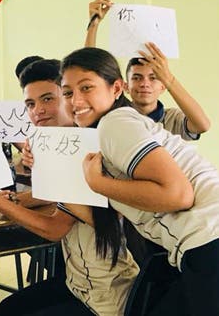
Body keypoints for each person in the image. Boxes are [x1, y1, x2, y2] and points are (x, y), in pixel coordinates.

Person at [0, 60, 139, 316]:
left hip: (105, 297)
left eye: (48, 99)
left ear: (69, 98)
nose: (38, 111)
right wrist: (17, 198)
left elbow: (56, 227)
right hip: (77, 282)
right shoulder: (57, 145)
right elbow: (63, 197)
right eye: (31, 104)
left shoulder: (87, 149)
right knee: (9, 309)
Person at [61, 47, 219, 315]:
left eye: (86, 88)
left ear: (116, 88)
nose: (75, 101)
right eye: (67, 93)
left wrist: (97, 184)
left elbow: (178, 194)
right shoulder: (111, 128)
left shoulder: (115, 123)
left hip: (208, 239)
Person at [84, 0, 210, 139]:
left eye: (153, 78)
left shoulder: (172, 118)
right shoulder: (116, 114)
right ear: (125, 86)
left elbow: (203, 125)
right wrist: (93, 25)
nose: (145, 84)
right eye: (137, 78)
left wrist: (169, 78)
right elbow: (90, 75)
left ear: (163, 86)